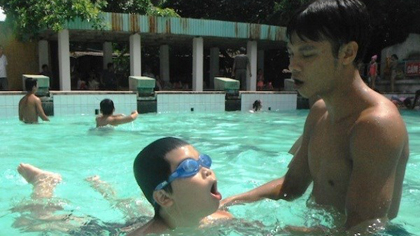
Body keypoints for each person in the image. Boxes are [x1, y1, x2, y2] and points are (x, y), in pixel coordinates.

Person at [221, 0, 409, 234]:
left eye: (307, 54)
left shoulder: (376, 126)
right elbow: (290, 187)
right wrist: (230, 202)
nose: (293, 66)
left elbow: (365, 228)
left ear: (347, 53)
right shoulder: (320, 113)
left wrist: (277, 232)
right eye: (291, 54)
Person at [15, 137, 232, 235]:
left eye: (203, 161)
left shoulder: (223, 220)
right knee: (43, 221)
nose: (206, 169)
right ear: (164, 197)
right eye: (189, 168)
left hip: (160, 217)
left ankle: (104, 188)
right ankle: (43, 182)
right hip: (114, 231)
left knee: (132, 207)